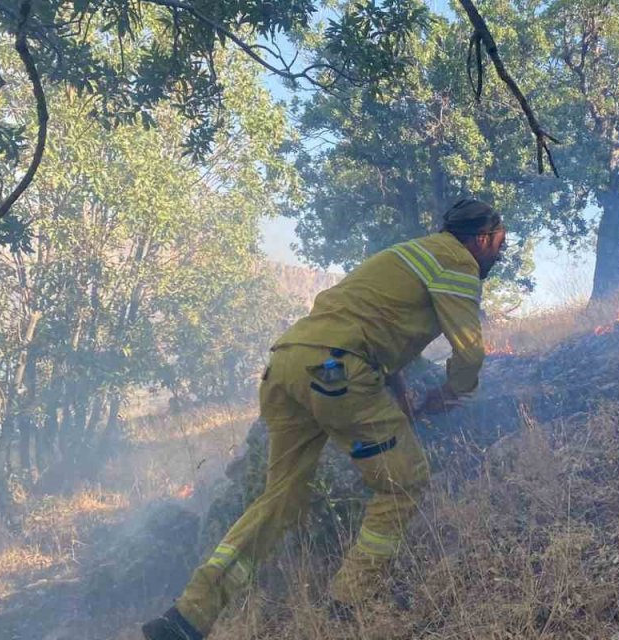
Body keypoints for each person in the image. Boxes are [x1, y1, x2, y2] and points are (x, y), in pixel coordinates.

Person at [142, 199, 506, 640]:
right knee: (403, 481)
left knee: (281, 498)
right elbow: (469, 352)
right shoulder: (458, 262)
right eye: (499, 242)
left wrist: (398, 393)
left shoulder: (408, 253)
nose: (500, 253)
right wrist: (450, 392)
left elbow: (368, 325)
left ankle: (187, 618)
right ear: (482, 238)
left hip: (285, 364)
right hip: (337, 371)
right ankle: (347, 605)